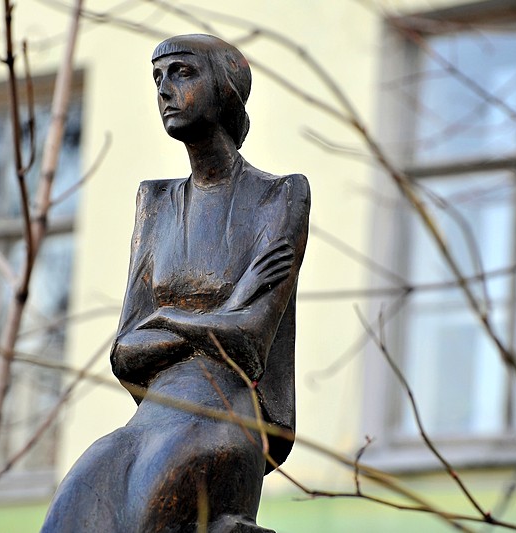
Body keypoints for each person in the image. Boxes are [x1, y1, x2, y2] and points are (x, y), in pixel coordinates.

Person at [41, 34, 310, 533]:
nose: (165, 89)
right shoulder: (156, 203)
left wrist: (166, 318)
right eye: (158, 78)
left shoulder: (279, 196)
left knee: (151, 519)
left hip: (227, 420)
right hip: (148, 421)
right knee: (69, 514)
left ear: (226, 87)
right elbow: (124, 352)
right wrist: (216, 315)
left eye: (183, 73)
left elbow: (250, 340)